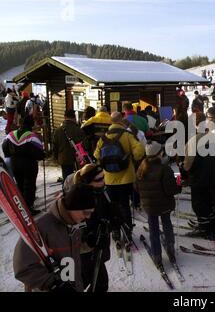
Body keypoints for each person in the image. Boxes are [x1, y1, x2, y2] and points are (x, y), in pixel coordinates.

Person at [13, 184, 96, 292]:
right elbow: (23, 268)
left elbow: (69, 249)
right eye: (86, 212)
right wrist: (53, 284)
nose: (88, 217)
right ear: (73, 206)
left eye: (91, 213)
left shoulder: (74, 224)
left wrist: (90, 243)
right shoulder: (41, 227)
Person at [63, 164, 117, 292]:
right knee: (88, 281)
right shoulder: (76, 197)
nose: (103, 181)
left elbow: (102, 216)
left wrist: (112, 219)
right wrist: (87, 235)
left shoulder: (100, 191)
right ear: (87, 182)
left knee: (99, 282)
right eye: (99, 179)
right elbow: (70, 225)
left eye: (104, 177)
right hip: (84, 251)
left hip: (97, 247)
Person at [94, 112, 145, 241]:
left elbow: (96, 155)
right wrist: (133, 157)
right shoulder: (127, 135)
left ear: (111, 122)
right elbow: (139, 150)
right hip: (126, 177)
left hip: (110, 179)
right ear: (121, 120)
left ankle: (115, 231)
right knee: (125, 205)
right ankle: (127, 230)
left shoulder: (104, 137)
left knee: (113, 206)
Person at [136, 141, 179, 266]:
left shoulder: (141, 169)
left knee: (153, 229)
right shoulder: (165, 169)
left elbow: (136, 187)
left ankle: (156, 255)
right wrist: (178, 182)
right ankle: (170, 247)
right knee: (167, 224)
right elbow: (171, 189)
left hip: (150, 206)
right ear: (159, 154)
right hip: (165, 204)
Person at [183, 112, 215, 240]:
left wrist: (184, 169)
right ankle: (211, 225)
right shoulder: (213, 138)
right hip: (213, 175)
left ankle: (204, 227)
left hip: (198, 177)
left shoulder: (194, 140)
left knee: (199, 204)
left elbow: (187, 163)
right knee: (209, 201)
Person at [2, 116, 45, 216]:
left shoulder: (11, 134)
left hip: (15, 163)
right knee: (29, 186)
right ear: (31, 124)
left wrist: (10, 155)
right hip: (29, 164)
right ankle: (28, 208)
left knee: (20, 185)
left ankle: (21, 207)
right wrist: (42, 156)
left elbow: (5, 147)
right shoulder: (32, 136)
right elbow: (39, 152)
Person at [52, 109, 85, 180]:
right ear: (74, 118)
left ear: (64, 117)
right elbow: (84, 145)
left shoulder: (58, 130)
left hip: (64, 158)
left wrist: (55, 157)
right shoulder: (79, 130)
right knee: (79, 179)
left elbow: (55, 146)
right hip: (78, 159)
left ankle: (67, 190)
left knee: (67, 179)